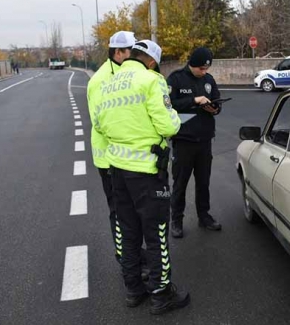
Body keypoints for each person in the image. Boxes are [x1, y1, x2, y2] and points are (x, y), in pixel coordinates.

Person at [94, 39, 190, 314]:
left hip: (117, 172)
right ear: (151, 60)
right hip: (148, 173)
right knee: (157, 232)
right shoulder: (152, 80)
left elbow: (99, 124)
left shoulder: (108, 82)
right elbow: (168, 126)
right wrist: (170, 117)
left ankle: (133, 289)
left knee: (128, 231)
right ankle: (161, 294)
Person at [86, 31, 135, 268]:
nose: (133, 56)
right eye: (130, 52)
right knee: (118, 210)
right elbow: (99, 121)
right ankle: (123, 256)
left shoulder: (124, 74)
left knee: (130, 210)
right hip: (108, 159)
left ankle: (132, 253)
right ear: (118, 52)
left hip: (124, 157)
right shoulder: (100, 80)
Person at [167, 47, 223, 239]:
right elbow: (168, 105)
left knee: (203, 182)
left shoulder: (209, 80)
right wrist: (194, 100)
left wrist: (214, 108)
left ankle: (204, 216)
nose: (204, 72)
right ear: (192, 64)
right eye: (201, 68)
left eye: (206, 68)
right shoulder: (175, 79)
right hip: (184, 141)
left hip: (204, 140)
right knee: (180, 183)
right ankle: (176, 220)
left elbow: (217, 102)